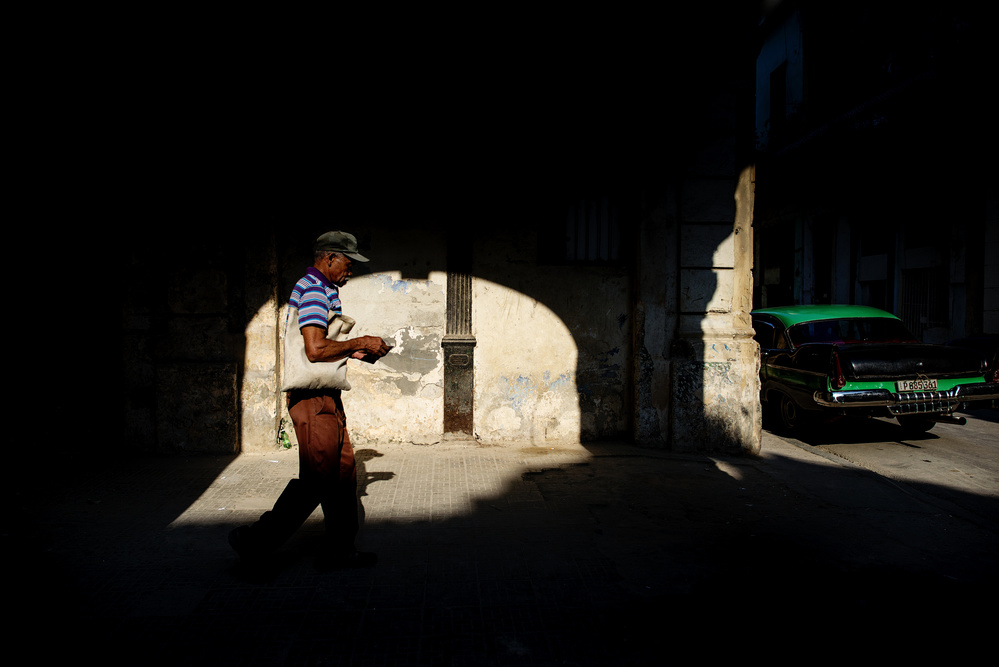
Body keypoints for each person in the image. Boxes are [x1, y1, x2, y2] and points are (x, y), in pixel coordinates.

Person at [229, 231, 391, 572]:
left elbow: (321, 346)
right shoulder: (315, 289)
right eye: (348, 263)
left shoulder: (323, 289)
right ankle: (254, 542)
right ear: (329, 257)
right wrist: (359, 340)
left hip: (325, 395)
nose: (351, 270)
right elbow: (315, 350)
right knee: (318, 478)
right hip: (312, 397)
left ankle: (340, 550)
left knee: (343, 472)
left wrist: (358, 352)